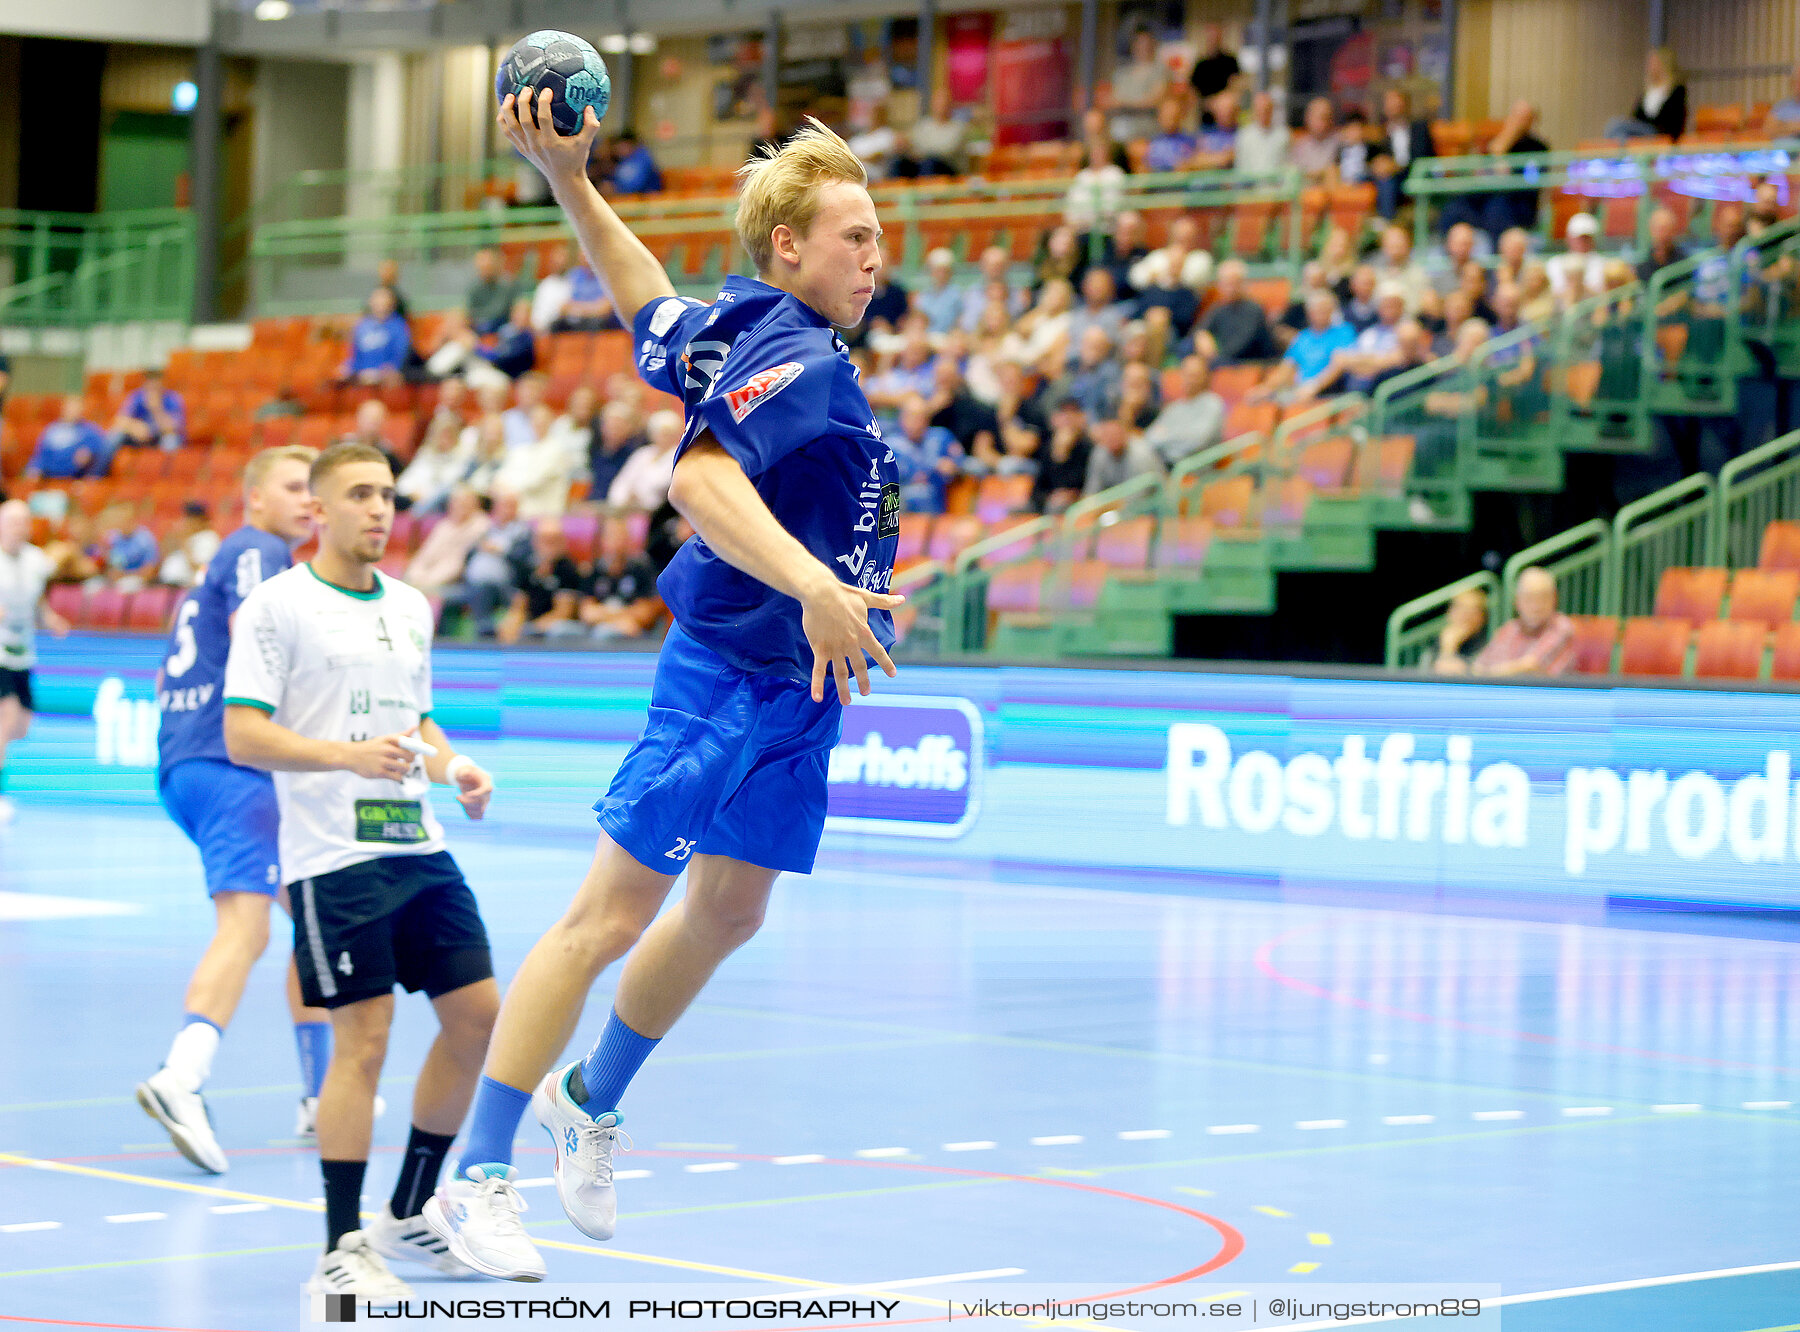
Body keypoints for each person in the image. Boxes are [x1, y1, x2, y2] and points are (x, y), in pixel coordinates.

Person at [423, 101, 904, 1282]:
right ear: (790, 246)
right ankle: (476, 1177)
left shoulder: (746, 331)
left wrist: (568, 179)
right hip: (736, 671)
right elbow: (695, 479)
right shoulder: (790, 347)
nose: (876, 256)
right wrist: (813, 587)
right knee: (609, 916)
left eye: (881, 236)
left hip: (803, 688)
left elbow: (647, 299)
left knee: (733, 910)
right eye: (854, 235)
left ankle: (587, 1099)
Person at [223, 442, 500, 1300]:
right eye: (360, 495)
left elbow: (418, 720)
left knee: (478, 1017)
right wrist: (347, 757)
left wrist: (453, 767)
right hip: (331, 858)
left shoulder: (412, 607)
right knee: (365, 1041)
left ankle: (410, 1213)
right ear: (320, 510)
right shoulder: (277, 607)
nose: (380, 509)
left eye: (387, 494)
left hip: (416, 843)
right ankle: (341, 1245)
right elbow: (244, 734)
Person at [135, 446, 335, 1173]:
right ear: (253, 498)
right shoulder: (258, 550)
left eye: (317, 490)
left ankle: (321, 1097)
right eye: (294, 488)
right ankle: (182, 1076)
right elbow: (269, 628)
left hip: (189, 765)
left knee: (309, 917)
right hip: (232, 766)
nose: (310, 501)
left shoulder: (209, 575)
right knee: (246, 928)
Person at [0, 498, 70, 824]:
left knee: (20, 725)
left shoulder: (35, 561)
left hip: (23, 651)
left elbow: (39, 603)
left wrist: (51, 619)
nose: (19, 528)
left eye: (24, 522)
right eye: (12, 521)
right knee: (5, 718)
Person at [496, 517, 587, 643]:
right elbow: (519, 605)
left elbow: (563, 612)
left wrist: (532, 628)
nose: (548, 546)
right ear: (535, 542)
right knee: (508, 625)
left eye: (553, 540)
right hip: (532, 622)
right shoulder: (527, 567)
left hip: (560, 625)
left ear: (562, 542)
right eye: (545, 540)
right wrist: (513, 623)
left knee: (558, 630)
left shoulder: (568, 569)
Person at [1473, 567, 1574, 676]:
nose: (1536, 606)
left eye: (1543, 597)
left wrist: (1490, 672)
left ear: (1554, 599)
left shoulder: (1562, 626)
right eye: (1529, 598)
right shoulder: (1510, 628)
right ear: (1517, 601)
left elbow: (1529, 666)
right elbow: (1479, 665)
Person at [1141, 354, 1227, 469]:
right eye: (1186, 374)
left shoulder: (1213, 404)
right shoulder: (1174, 407)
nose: (1189, 380)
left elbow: (1196, 441)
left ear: (1205, 377)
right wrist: (1174, 438)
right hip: (1163, 463)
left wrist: (1165, 437)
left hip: (1193, 469)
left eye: (1194, 375)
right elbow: (1149, 438)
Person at [406, 485, 490, 598]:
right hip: (426, 579)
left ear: (475, 505)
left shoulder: (480, 526)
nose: (459, 506)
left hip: (455, 583)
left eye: (465, 503)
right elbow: (425, 554)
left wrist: (426, 582)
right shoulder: (444, 525)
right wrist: (415, 575)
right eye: (456, 502)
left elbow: (456, 564)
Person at [1370, 88, 1435, 219]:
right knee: (1381, 178)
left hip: (1413, 172)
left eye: (1396, 102)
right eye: (1389, 103)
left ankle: (1387, 222)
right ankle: (1383, 223)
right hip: (1388, 176)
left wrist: (1395, 166)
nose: (1393, 106)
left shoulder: (1419, 128)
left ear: (1405, 104)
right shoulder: (1380, 132)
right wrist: (1376, 165)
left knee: (1387, 179)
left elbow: (1422, 157)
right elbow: (1373, 156)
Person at [1199, 259, 1278, 362]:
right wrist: (1201, 336)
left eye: (1234, 283)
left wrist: (1216, 358)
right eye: (1226, 283)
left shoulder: (1253, 310)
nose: (1230, 288)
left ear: (1243, 283)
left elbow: (1242, 345)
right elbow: (1199, 331)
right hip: (1227, 363)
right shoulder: (1219, 309)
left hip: (1252, 363)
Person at [606, 408, 682, 511]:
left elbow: (662, 485)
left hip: (657, 511)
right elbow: (623, 480)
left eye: (667, 433)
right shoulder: (642, 453)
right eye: (659, 432)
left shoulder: (678, 456)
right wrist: (622, 499)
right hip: (627, 508)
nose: (662, 437)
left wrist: (640, 496)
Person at [1606, 47, 1687, 141]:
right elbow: (1636, 115)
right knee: (1620, 132)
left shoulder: (1676, 89)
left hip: (1659, 131)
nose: (1650, 67)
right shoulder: (1648, 90)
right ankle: (1619, 153)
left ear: (1663, 64)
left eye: (1654, 63)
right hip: (1643, 128)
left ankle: (1619, 153)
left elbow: (1673, 119)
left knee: (1617, 125)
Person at [25, 396, 110, 479]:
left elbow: (101, 449)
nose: (71, 411)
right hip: (47, 477)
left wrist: (90, 455)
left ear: (81, 410)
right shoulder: (51, 430)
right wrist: (34, 468)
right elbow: (40, 455)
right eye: (69, 407)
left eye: (75, 408)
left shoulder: (90, 430)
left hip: (75, 477)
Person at [1111, 28, 1169, 144]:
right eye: (1140, 43)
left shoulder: (1160, 70)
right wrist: (1138, 102)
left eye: (1147, 43)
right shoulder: (1123, 72)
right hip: (1123, 124)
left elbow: (1155, 100)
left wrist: (1126, 103)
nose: (1144, 47)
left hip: (1148, 125)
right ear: (1134, 46)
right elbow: (1113, 100)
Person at [109, 366, 187, 453]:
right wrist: (135, 427)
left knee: (170, 441)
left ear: (162, 381)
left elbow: (171, 429)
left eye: (156, 380)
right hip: (140, 437)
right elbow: (119, 420)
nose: (153, 384)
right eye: (149, 380)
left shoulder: (173, 398)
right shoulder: (137, 396)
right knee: (115, 435)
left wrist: (156, 409)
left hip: (161, 437)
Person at [588, 400, 647, 501]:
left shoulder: (637, 454)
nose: (613, 430)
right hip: (593, 504)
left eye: (618, 426)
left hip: (618, 507)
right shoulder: (594, 450)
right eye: (610, 425)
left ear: (630, 427)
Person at [157, 502, 223, 587]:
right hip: (165, 584)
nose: (186, 522)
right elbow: (161, 558)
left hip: (184, 586)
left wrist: (184, 545)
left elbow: (201, 569)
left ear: (201, 520)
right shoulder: (187, 537)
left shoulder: (209, 538)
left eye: (191, 519)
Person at [904, 87, 967, 176]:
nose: (941, 105)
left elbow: (946, 151)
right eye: (938, 102)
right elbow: (910, 144)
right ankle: (890, 188)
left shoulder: (958, 128)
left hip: (949, 171)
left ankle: (926, 189)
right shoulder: (923, 125)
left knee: (930, 162)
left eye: (944, 102)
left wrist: (920, 152)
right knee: (899, 162)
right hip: (922, 165)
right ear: (932, 104)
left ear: (951, 105)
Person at [1432, 586, 1490, 675]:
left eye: (1472, 611)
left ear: (1482, 617)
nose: (1465, 616)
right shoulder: (1437, 641)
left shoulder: (1487, 644)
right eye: (1460, 608)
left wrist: (1449, 650)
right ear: (1450, 612)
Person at [1548, 213, 1607, 301]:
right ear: (1568, 237)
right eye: (1579, 237)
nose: (1583, 241)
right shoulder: (1555, 263)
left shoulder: (1603, 264)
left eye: (1587, 237)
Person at [1233, 90, 1290, 177]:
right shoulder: (1244, 135)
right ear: (1254, 111)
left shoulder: (1283, 134)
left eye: (1266, 110)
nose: (1263, 113)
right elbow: (1241, 166)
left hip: (1277, 186)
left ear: (1272, 110)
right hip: (1250, 186)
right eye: (1260, 110)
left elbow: (1287, 164)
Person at [1188, 23, 1240, 111]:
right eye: (1211, 36)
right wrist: (1207, 103)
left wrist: (1221, 100)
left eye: (1216, 36)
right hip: (1205, 112)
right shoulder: (1200, 64)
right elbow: (1193, 90)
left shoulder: (1230, 61)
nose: (1214, 39)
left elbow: (1236, 84)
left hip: (1225, 109)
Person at [466, 247, 517, 334]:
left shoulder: (507, 284)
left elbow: (501, 311)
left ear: (496, 265)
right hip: (479, 326)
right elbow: (471, 312)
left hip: (503, 325)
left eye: (488, 267)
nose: (485, 271)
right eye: (482, 268)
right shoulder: (474, 287)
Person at [1289, 97, 1339, 183]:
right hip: (1306, 192)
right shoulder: (1299, 145)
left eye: (1326, 117)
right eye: (1319, 117)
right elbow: (1294, 174)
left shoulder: (1339, 142)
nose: (1323, 123)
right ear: (1308, 118)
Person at [1145, 97, 1198, 174]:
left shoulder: (1191, 141)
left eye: (1174, 116)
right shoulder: (1152, 143)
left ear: (1181, 116)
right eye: (1167, 116)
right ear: (1159, 118)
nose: (1171, 121)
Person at [607, 130, 663, 196]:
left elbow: (632, 184)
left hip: (647, 197)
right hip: (636, 196)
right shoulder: (624, 159)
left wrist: (615, 188)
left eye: (620, 146)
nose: (617, 150)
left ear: (629, 144)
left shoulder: (641, 158)